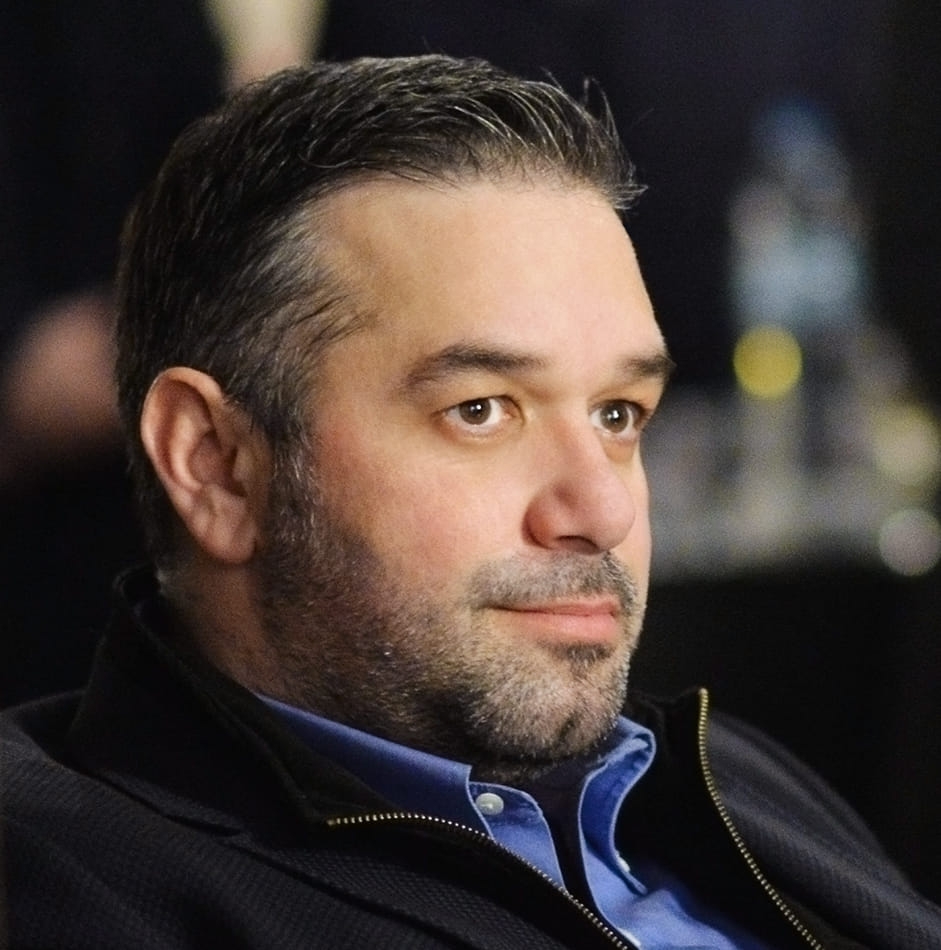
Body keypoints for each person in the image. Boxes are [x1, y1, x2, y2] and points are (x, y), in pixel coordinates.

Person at [1, 55, 939, 950]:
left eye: (618, 414)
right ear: (216, 465)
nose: (602, 510)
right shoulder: (66, 891)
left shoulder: (725, 777)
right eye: (482, 410)